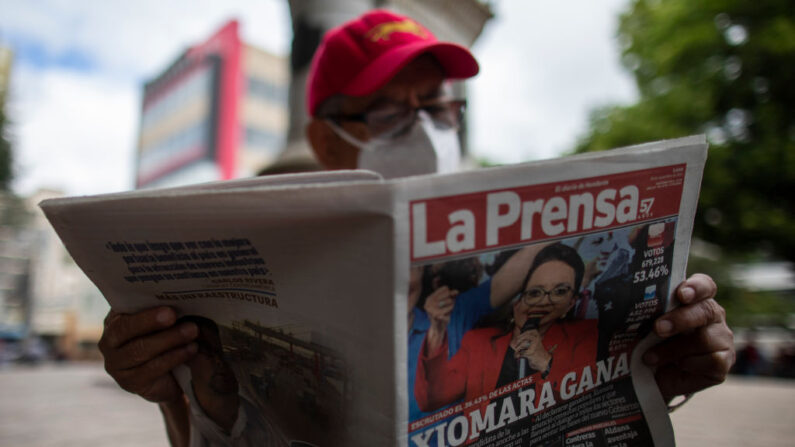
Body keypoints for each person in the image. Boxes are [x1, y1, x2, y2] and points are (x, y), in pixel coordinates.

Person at [98, 9, 735, 445]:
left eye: (437, 106)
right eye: (388, 111)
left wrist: (654, 371)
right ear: (325, 136)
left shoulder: (490, 276)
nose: (425, 128)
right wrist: (169, 387)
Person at [414, 243, 597, 412]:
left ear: (571, 303)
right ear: (517, 301)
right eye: (534, 293)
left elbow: (588, 404)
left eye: (560, 292)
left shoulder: (586, 335)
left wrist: (546, 363)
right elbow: (432, 398)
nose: (544, 302)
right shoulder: (479, 343)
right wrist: (437, 332)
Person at [171, 315, 286, 446]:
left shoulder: (261, 421)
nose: (220, 361)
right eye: (207, 351)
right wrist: (171, 403)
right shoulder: (193, 415)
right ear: (186, 356)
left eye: (221, 352)